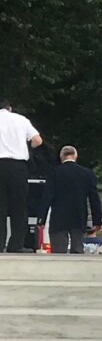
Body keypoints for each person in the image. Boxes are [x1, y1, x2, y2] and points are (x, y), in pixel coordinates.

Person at [39, 146, 101, 253]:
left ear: (61, 157)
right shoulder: (87, 173)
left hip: (59, 217)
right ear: (75, 156)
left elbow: (47, 197)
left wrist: (42, 218)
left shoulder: (54, 172)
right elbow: (94, 198)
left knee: (59, 251)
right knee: (77, 249)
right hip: (79, 215)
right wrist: (97, 220)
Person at [0, 98, 42, 252]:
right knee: (19, 206)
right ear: (9, 108)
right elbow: (37, 140)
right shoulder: (21, 119)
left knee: (1, 207)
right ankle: (15, 245)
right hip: (18, 166)